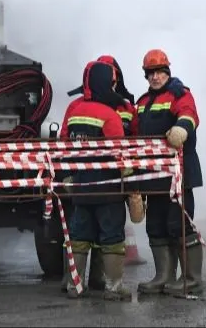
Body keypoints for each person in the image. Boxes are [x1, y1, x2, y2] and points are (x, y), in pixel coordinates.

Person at [59, 60, 132, 301]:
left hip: (80, 188)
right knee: (111, 238)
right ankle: (113, 288)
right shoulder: (109, 115)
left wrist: (69, 176)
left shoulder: (75, 112)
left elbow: (64, 145)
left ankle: (74, 286)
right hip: (107, 189)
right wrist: (131, 181)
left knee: (79, 237)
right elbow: (119, 154)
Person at [134, 49, 204, 297]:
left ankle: (191, 279)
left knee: (179, 224)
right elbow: (134, 133)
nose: (154, 77)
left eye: (159, 72)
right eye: (150, 73)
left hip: (179, 174)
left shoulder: (179, 93)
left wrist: (181, 129)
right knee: (156, 226)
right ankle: (163, 276)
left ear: (167, 72)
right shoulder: (142, 103)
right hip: (154, 175)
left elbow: (189, 114)